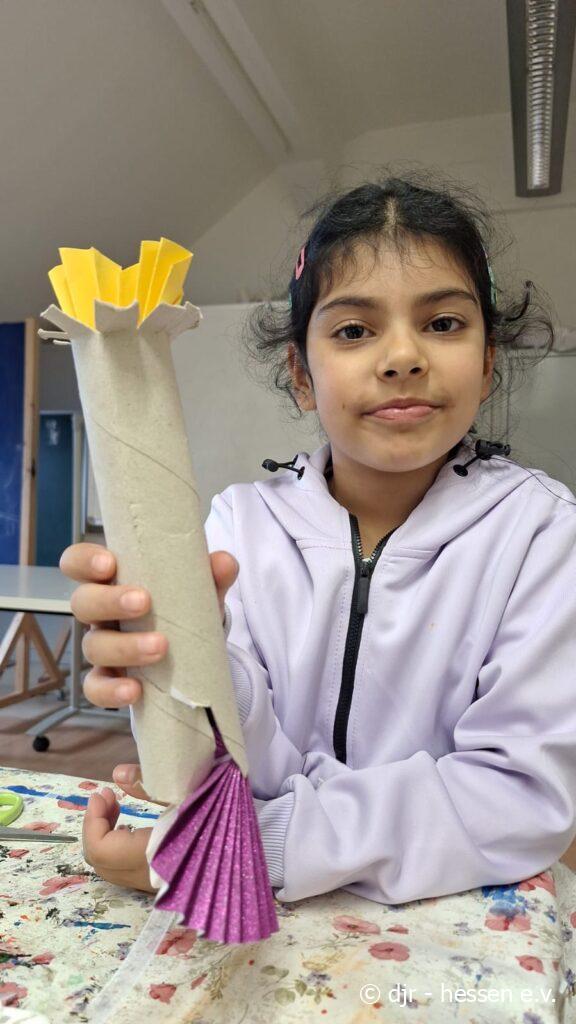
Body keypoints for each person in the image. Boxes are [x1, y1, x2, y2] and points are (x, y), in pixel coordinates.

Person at [60, 167, 576, 905]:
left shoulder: (542, 535)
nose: (402, 357)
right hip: (266, 930)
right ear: (301, 374)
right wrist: (182, 664)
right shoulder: (241, 528)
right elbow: (242, 764)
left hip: (452, 929)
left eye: (443, 323)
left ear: (489, 361)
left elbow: (518, 800)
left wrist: (247, 850)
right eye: (354, 330)